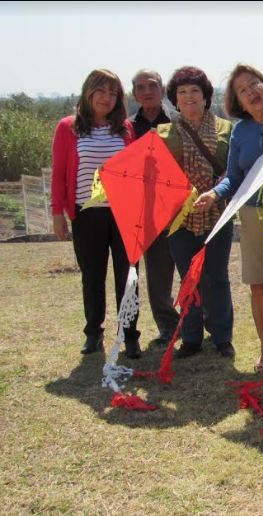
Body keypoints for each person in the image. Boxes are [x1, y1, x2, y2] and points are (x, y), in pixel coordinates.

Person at [195, 64, 263, 373]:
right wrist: (215, 194)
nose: (250, 92)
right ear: (239, 102)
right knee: (260, 285)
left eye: (253, 84)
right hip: (252, 214)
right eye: (242, 91)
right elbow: (233, 176)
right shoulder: (240, 131)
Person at [51, 69, 142, 359]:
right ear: (88, 92)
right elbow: (59, 174)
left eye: (113, 93)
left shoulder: (125, 129)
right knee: (92, 276)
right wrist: (57, 213)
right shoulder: (68, 127)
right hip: (86, 215)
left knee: (129, 277)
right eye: (101, 91)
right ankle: (93, 333)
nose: (107, 98)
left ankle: (129, 334)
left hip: (124, 214)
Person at [156, 66, 235, 359]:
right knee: (188, 276)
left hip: (218, 212)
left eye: (195, 91)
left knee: (217, 277)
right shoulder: (163, 133)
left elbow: (233, 168)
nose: (189, 97)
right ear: (175, 99)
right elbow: (156, 175)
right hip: (179, 218)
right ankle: (190, 338)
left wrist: (214, 192)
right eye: (182, 92)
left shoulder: (226, 128)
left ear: (206, 97)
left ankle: (222, 336)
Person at [130, 69, 180, 347]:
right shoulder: (126, 127)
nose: (146, 91)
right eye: (140, 87)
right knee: (158, 272)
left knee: (188, 268)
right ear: (134, 94)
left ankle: (195, 324)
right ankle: (168, 327)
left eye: (152, 85)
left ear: (162, 90)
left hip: (178, 207)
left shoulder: (178, 121)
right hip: (143, 210)